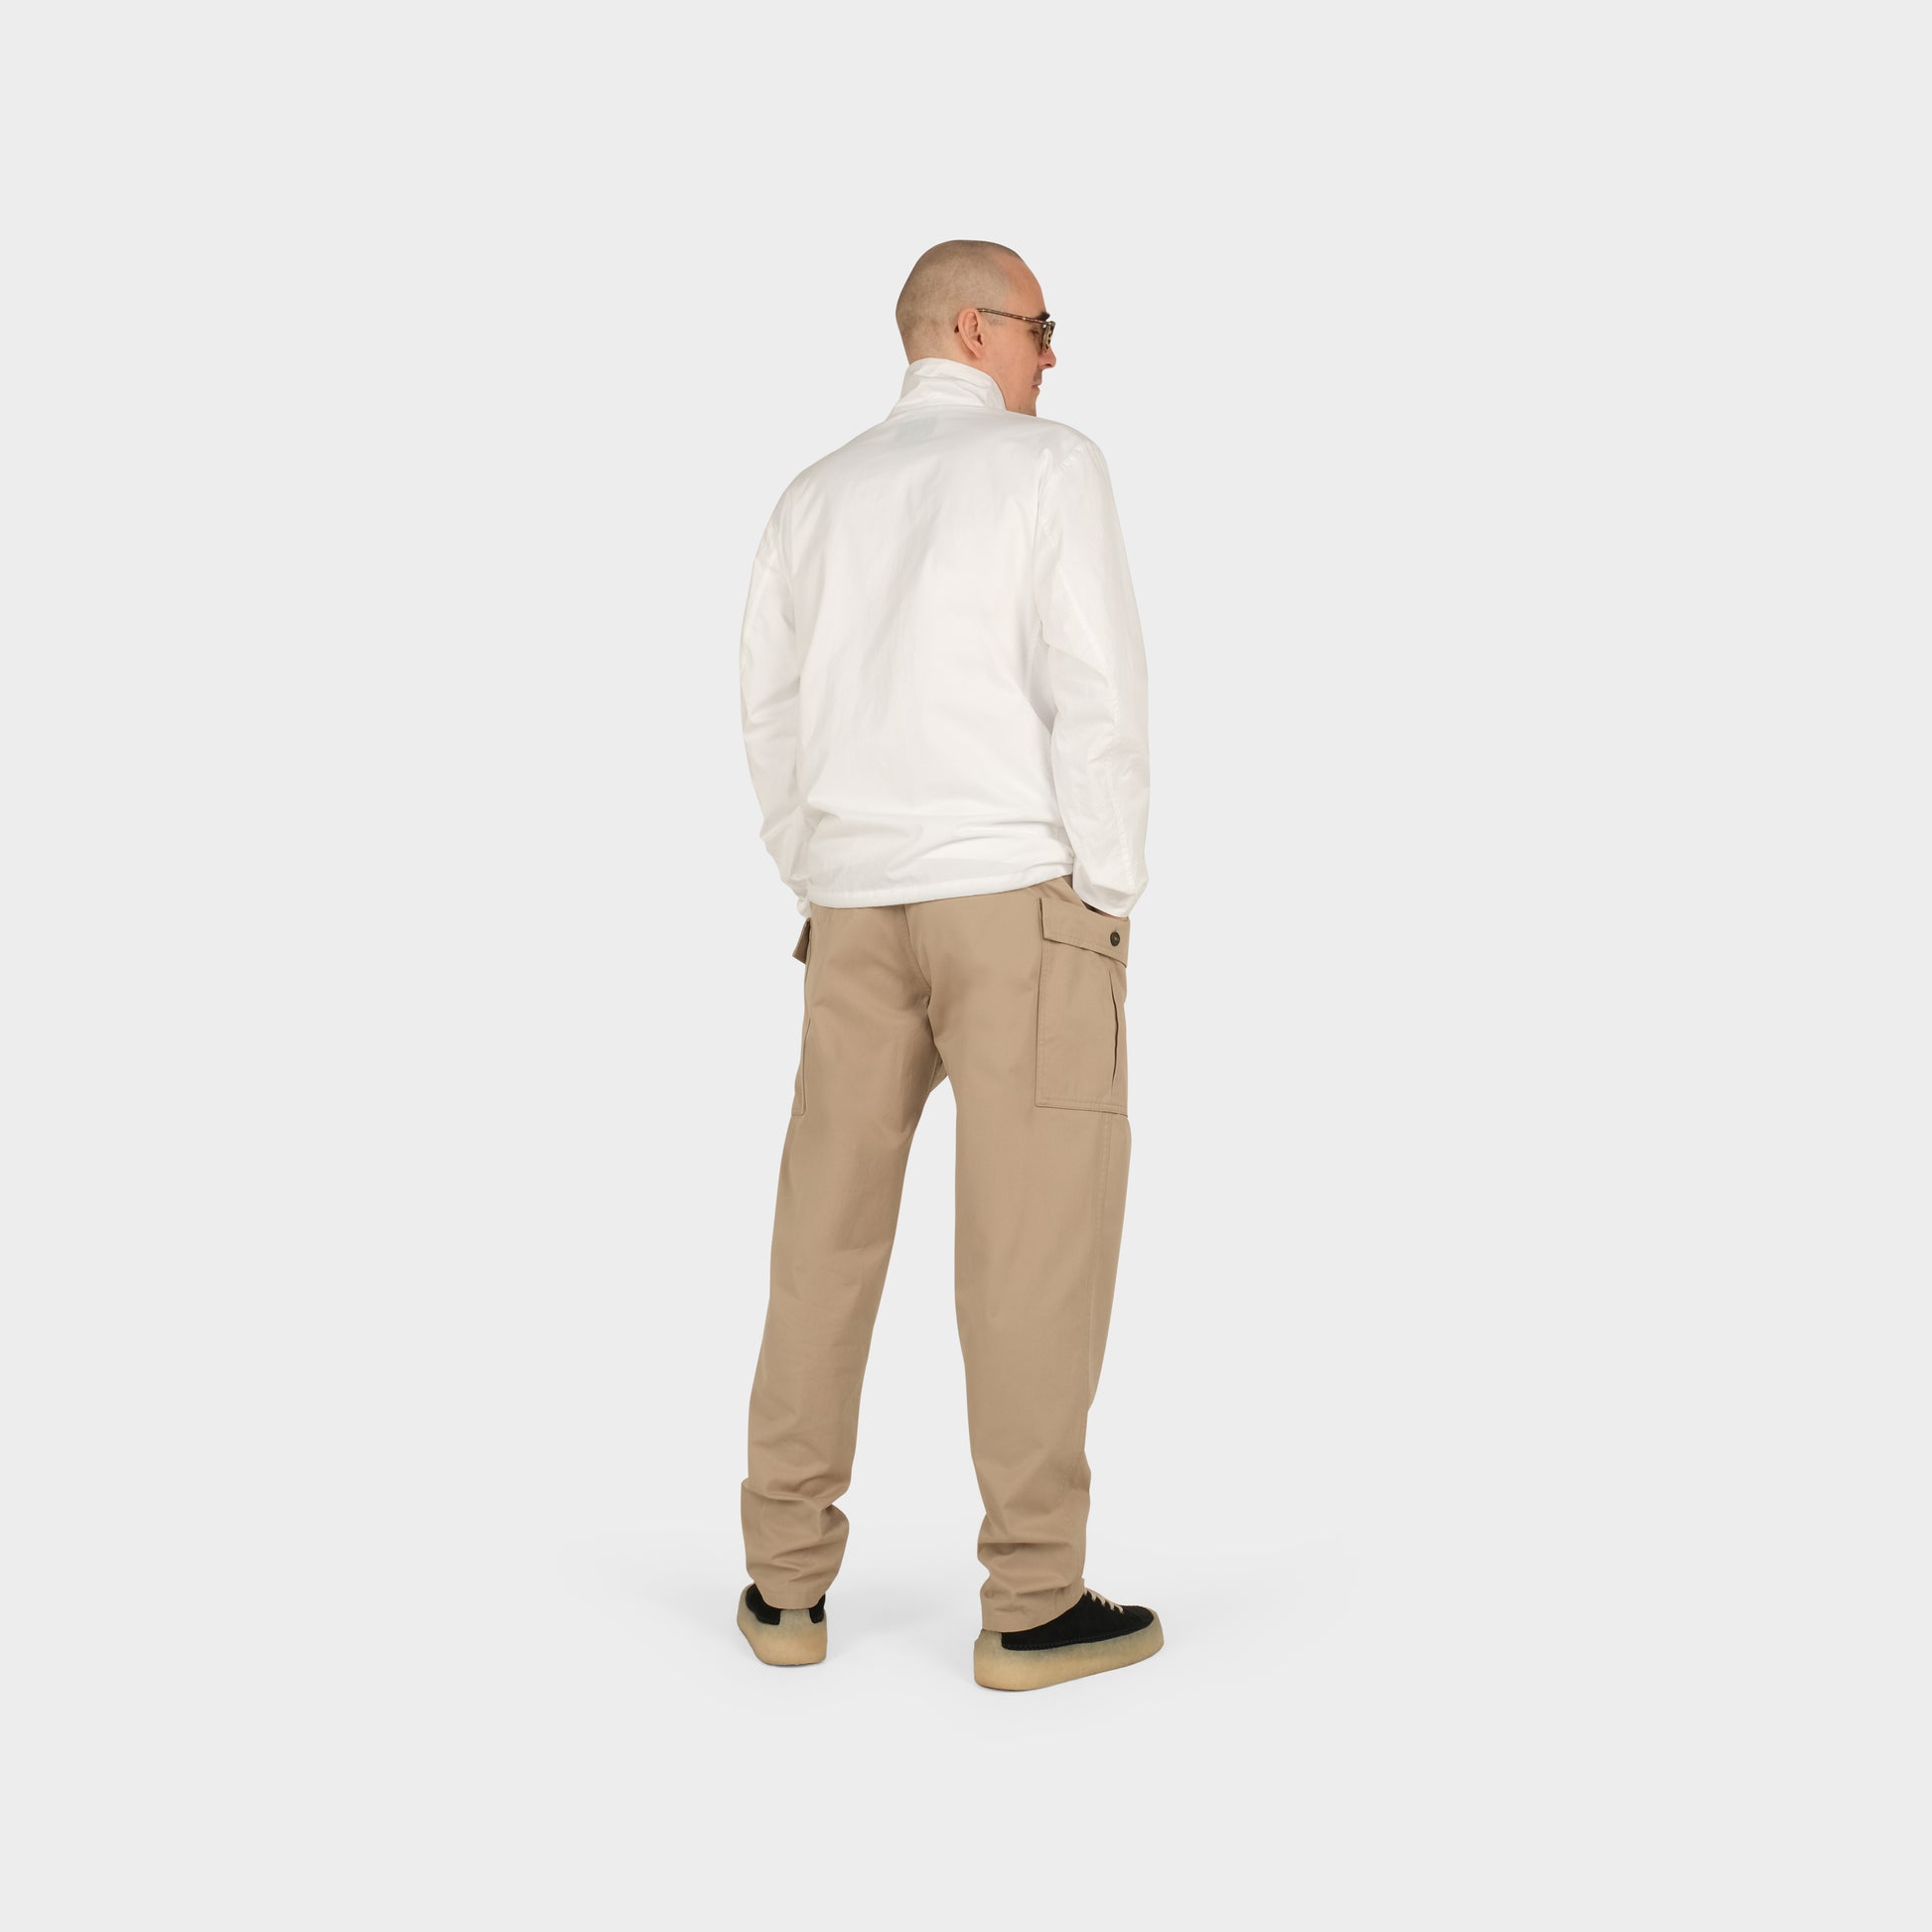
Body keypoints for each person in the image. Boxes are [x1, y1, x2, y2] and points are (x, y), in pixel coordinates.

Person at [734, 239, 1157, 1692]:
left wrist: (820, 862)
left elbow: (769, 711)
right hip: (1016, 902)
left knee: (822, 1243)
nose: (1053, 353)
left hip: (853, 912)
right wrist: (1105, 889)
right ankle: (1032, 1603)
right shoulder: (1048, 468)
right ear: (972, 328)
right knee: (1031, 1250)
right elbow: (1096, 691)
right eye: (1040, 326)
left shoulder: (814, 494)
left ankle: (783, 1586)